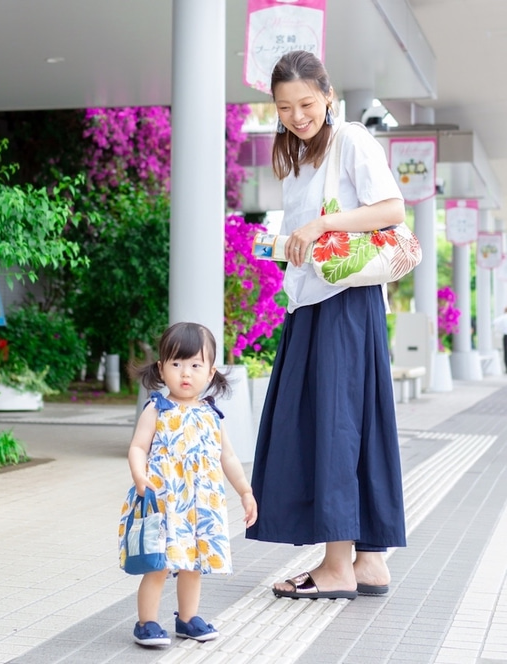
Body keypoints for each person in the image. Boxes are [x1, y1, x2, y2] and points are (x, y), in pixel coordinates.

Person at [246, 50, 407, 600]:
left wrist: (321, 224)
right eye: (284, 107)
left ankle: (336, 568)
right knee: (351, 424)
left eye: (306, 103)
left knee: (334, 425)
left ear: (328, 96)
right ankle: (368, 562)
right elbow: (307, 236)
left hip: (341, 303)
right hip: (320, 301)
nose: (296, 115)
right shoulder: (297, 155)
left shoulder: (352, 139)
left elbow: (391, 209)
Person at [118, 322, 258, 646]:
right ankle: (147, 622)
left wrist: (246, 492)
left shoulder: (211, 414)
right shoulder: (157, 408)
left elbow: (229, 458)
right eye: (177, 364)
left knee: (193, 564)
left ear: (210, 373)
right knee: (158, 564)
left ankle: (187, 618)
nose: (185, 373)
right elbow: (138, 447)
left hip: (201, 506)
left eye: (195, 365)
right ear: (161, 368)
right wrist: (141, 478)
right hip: (165, 500)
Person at [492, 306, 507, 371]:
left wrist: (501, 329)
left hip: (505, 336)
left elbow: (494, 322)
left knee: (506, 352)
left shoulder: (502, 317)